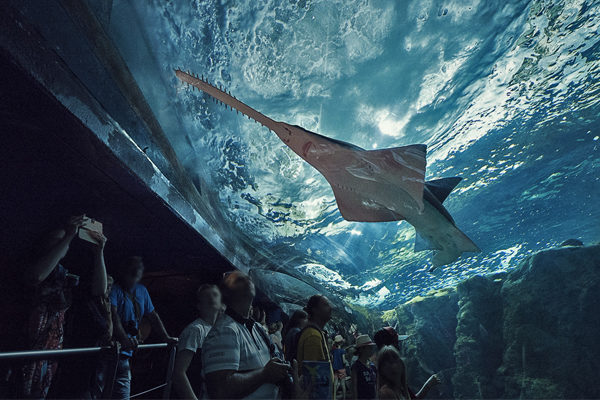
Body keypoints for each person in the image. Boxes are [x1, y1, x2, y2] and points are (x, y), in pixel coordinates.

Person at [21, 215, 107, 399]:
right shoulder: (33, 265)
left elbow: (99, 289)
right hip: (25, 347)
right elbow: (36, 277)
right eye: (57, 239)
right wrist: (68, 236)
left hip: (51, 352)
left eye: (64, 240)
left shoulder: (64, 275)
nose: (62, 241)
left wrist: (99, 252)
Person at [202, 271, 291, 399]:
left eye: (247, 277)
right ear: (226, 293)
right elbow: (219, 390)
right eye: (239, 279)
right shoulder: (224, 331)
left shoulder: (257, 328)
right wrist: (265, 374)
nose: (246, 278)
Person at [110, 256, 177, 399]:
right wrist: (124, 340)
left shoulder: (142, 290)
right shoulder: (114, 289)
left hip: (125, 357)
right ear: (123, 270)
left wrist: (166, 337)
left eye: (139, 266)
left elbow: (153, 315)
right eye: (133, 266)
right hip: (109, 354)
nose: (137, 269)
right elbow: (113, 317)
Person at [173, 284, 222, 400]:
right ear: (199, 305)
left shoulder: (219, 330)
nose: (211, 298)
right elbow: (179, 373)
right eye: (206, 296)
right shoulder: (195, 330)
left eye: (215, 294)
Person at [373, 329, 439, 399]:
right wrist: (428, 385)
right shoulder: (387, 392)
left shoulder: (396, 384)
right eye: (397, 342)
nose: (399, 346)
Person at [296, 295, 334, 399]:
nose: (330, 308)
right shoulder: (313, 336)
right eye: (326, 305)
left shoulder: (317, 333)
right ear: (315, 310)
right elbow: (312, 379)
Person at [350, 335, 377, 400]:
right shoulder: (356, 367)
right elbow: (354, 388)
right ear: (361, 349)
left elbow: (375, 385)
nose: (371, 350)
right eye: (369, 348)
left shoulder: (372, 366)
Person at [332, 335, 347, 400]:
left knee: (335, 384)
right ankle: (344, 398)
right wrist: (345, 363)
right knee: (343, 384)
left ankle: (334, 398)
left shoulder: (333, 351)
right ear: (341, 342)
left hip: (335, 369)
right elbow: (343, 361)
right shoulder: (342, 351)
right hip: (341, 368)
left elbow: (332, 360)